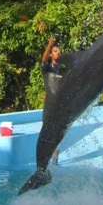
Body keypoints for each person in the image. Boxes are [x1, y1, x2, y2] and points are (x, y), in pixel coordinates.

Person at [41, 35, 65, 165]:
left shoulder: (63, 68)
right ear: (51, 54)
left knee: (59, 130)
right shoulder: (48, 67)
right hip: (49, 104)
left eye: (59, 51)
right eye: (55, 51)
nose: (58, 53)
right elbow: (43, 60)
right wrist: (50, 44)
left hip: (60, 103)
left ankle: (55, 159)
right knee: (47, 129)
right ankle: (45, 158)